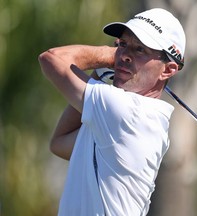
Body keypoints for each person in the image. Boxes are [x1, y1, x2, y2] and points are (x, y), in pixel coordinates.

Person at [38, 8, 186, 216]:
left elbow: (51, 58)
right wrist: (99, 74)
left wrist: (108, 56)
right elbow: (60, 143)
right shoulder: (120, 119)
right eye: (123, 45)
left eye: (140, 50)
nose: (125, 55)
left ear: (168, 70)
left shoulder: (128, 111)